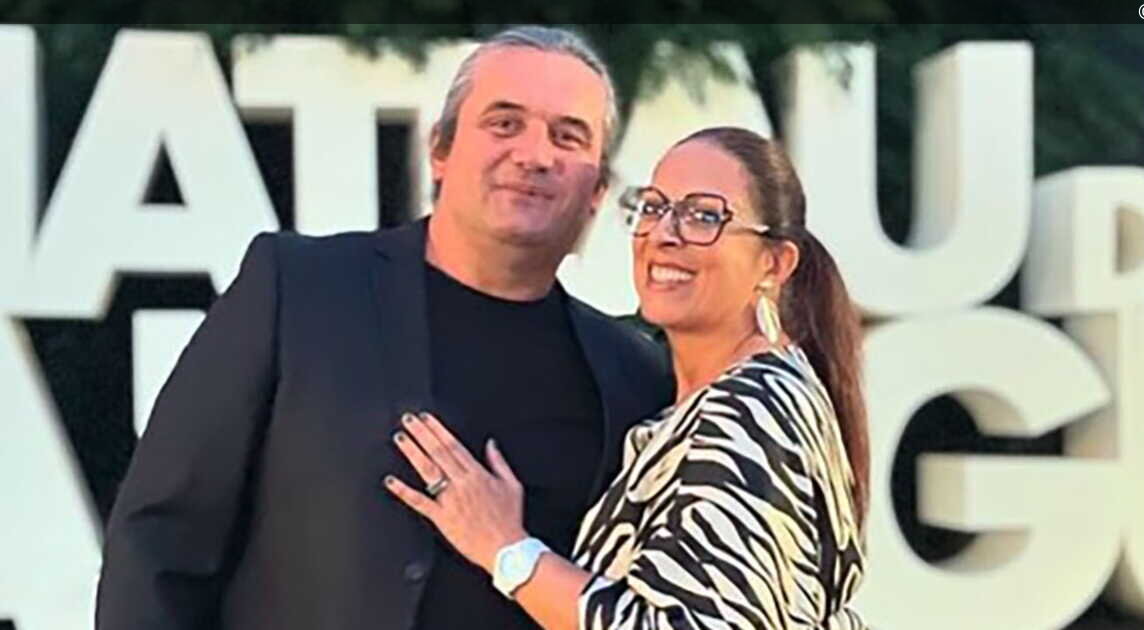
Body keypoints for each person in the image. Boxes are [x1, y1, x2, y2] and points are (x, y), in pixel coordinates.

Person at [95, 26, 673, 630]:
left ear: (597, 190)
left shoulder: (634, 378)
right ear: (440, 150)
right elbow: (160, 540)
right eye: (504, 123)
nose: (535, 155)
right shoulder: (299, 290)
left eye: (567, 136)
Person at [384, 126, 871, 629]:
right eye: (654, 207)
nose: (664, 234)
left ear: (774, 263)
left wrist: (506, 549)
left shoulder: (750, 410)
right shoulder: (726, 395)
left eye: (705, 216)